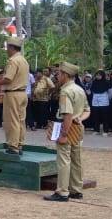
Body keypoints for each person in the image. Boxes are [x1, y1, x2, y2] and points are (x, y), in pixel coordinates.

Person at [43, 62, 89, 202]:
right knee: (77, 160)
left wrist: (63, 135)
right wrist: (80, 119)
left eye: (59, 73)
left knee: (63, 160)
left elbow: (67, 115)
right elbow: (87, 110)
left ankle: (62, 191)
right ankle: (76, 190)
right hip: (78, 128)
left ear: (66, 75)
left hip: (67, 128)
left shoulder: (65, 91)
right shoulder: (79, 89)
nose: (57, 76)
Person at [0, 37, 30, 154]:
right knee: (21, 120)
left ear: (12, 47)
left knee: (12, 120)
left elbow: (8, 79)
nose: (6, 50)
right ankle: (19, 144)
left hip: (13, 95)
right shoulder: (24, 60)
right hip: (22, 94)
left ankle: (13, 146)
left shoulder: (13, 61)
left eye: (7, 48)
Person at [90, 71, 112, 136]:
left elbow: (110, 92)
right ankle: (96, 130)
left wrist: (108, 99)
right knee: (96, 116)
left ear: (102, 76)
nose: (98, 76)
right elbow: (92, 91)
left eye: (99, 75)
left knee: (105, 117)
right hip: (95, 101)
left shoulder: (107, 82)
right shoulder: (94, 82)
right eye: (97, 75)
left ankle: (106, 131)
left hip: (104, 100)